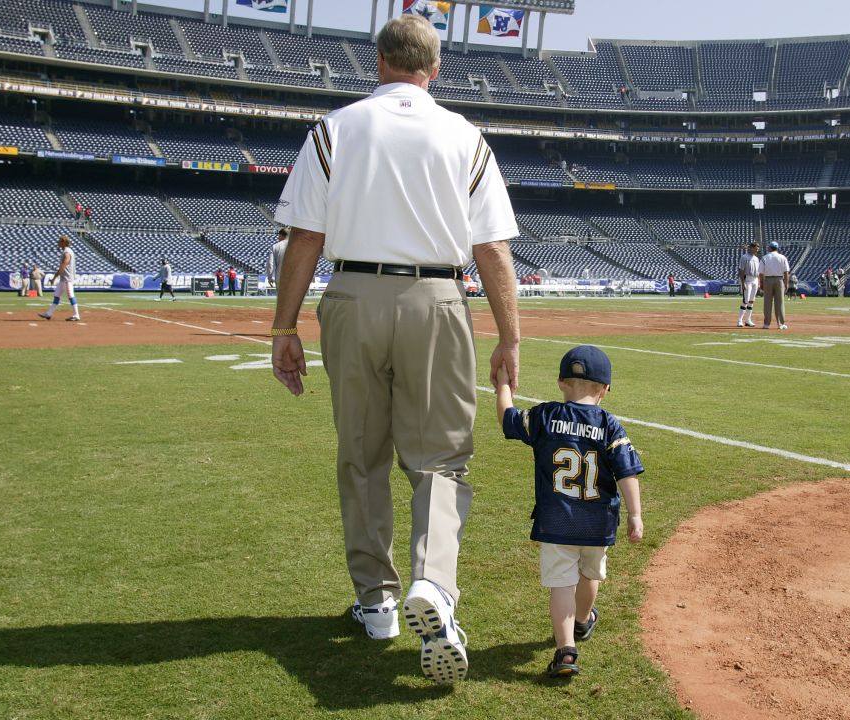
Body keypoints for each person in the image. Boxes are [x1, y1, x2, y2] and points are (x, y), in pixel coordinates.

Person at [268, 14, 519, 685]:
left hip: (351, 295)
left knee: (362, 454)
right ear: (434, 69)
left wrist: (283, 327)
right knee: (439, 458)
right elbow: (492, 248)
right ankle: (433, 584)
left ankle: (375, 601)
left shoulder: (334, 128)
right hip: (437, 299)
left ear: (378, 61)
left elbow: (305, 239)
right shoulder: (465, 136)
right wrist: (510, 337)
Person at [496, 345, 644, 678]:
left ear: (562, 382)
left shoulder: (546, 416)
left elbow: (507, 419)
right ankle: (582, 620)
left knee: (562, 585)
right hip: (597, 523)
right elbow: (627, 473)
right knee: (590, 574)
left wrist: (503, 385)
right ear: (604, 389)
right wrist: (635, 515)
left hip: (557, 520)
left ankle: (566, 652)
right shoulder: (609, 425)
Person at [39, 234, 80, 321]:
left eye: (59, 241)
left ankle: (76, 315)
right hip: (63, 279)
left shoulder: (67, 252)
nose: (58, 243)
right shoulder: (67, 251)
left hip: (67, 279)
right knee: (57, 296)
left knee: (71, 296)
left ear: (63, 242)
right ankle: (49, 314)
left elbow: (63, 266)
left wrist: (54, 278)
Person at [759, 240, 790, 330]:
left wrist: (761, 283)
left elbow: (761, 273)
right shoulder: (782, 257)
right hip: (779, 280)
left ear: (769, 248)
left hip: (768, 280)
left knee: (767, 302)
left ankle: (766, 324)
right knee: (780, 302)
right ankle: (780, 324)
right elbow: (786, 272)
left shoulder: (764, 258)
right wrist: (786, 283)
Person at [736, 242, 760, 327]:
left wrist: (759, 281)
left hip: (755, 279)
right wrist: (743, 283)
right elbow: (741, 270)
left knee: (751, 300)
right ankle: (739, 320)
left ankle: (748, 320)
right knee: (745, 300)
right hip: (748, 279)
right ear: (751, 248)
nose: (757, 250)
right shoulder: (744, 257)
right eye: (756, 248)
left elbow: (758, 271)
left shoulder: (756, 258)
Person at [268, 227, 289, 296]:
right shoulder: (296, 246)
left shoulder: (275, 246)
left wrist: (270, 277)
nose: (278, 238)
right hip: (294, 278)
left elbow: (270, 264)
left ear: (281, 235)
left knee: (282, 300)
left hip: (280, 278)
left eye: (278, 236)